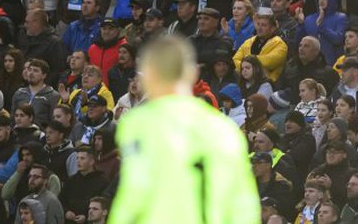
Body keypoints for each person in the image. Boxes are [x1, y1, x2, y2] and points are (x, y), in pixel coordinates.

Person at [107, 35, 260, 223]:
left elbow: (132, 196)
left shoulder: (136, 125)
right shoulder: (224, 129)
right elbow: (242, 204)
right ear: (190, 74)